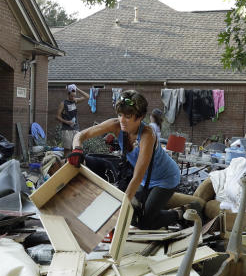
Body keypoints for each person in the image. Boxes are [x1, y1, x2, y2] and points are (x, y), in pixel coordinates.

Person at [69, 90, 183, 230]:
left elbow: (137, 176)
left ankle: (179, 213)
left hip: (166, 178)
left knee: (145, 222)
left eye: (128, 116)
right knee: (133, 216)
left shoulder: (148, 135)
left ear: (140, 117)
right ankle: (158, 212)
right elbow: (80, 135)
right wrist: (77, 149)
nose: (122, 120)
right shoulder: (116, 125)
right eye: (120, 114)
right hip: (145, 178)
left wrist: (122, 205)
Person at [56, 84, 88, 148]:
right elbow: (57, 116)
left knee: (76, 148)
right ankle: (67, 158)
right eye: (72, 96)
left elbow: (87, 96)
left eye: (74, 96)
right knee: (67, 149)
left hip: (76, 129)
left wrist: (77, 89)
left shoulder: (75, 101)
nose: (73, 98)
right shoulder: (63, 103)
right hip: (67, 130)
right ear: (68, 93)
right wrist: (66, 122)